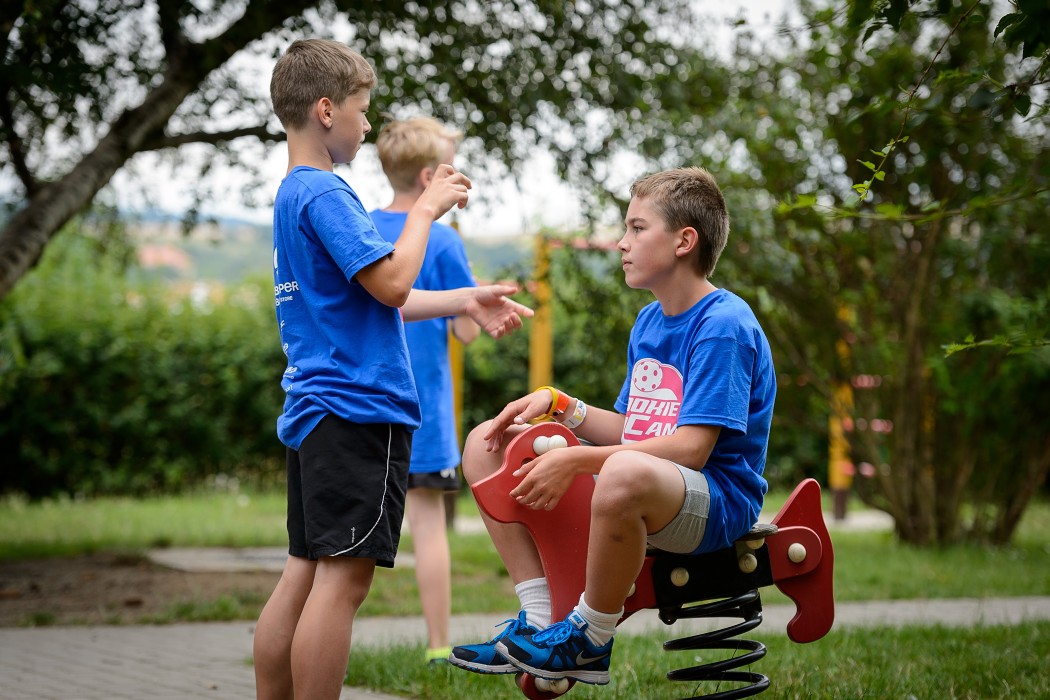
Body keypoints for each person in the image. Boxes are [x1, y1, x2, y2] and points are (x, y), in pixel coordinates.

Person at [255, 39, 532, 700]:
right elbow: (394, 281)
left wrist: (464, 298)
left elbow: (379, 298)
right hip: (358, 409)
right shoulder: (328, 193)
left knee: (303, 572)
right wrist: (427, 208)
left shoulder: (293, 194)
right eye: (361, 109)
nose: (366, 124)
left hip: (317, 409)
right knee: (341, 582)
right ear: (326, 110)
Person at [448, 167, 776, 686]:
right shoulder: (649, 322)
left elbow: (690, 450)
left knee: (622, 471)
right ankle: (539, 618)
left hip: (716, 501)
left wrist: (577, 460)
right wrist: (559, 404)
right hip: (650, 483)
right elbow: (633, 429)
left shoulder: (723, 326)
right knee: (485, 444)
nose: (622, 242)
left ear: (684, 242)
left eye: (637, 228)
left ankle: (590, 638)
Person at [369, 116, 479, 665]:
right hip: (423, 414)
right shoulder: (443, 240)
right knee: (429, 529)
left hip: (363, 407)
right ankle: (438, 647)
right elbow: (467, 329)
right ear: (429, 178)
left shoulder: (361, 227)